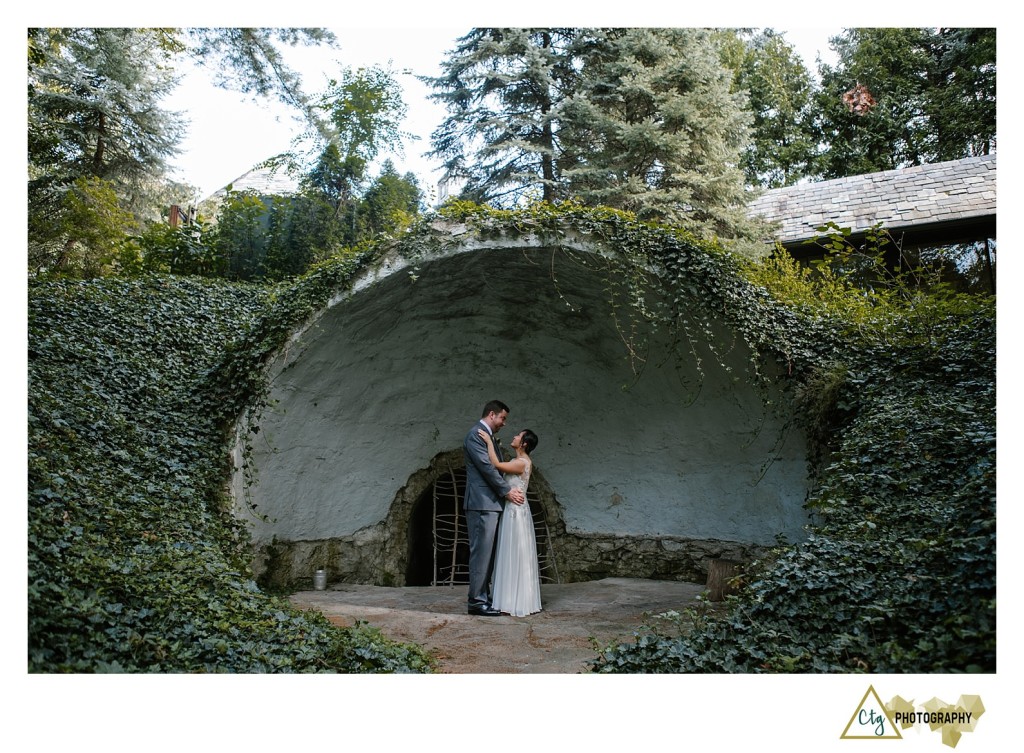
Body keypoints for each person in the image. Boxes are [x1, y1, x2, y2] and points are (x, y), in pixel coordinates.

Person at [463, 400, 524, 616]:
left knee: (486, 553)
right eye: (502, 418)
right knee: (480, 553)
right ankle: (477, 602)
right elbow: (487, 468)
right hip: (481, 503)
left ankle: (484, 597)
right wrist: (507, 491)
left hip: (489, 503)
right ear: (492, 414)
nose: (504, 423)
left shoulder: (486, 436)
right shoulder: (475, 434)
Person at [478, 426, 542, 617]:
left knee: (515, 551)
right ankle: (508, 598)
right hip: (513, 509)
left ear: (523, 444)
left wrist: (489, 442)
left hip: (516, 512)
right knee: (510, 551)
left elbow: (496, 464)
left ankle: (514, 600)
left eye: (518, 436)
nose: (514, 436)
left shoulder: (522, 462)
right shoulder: (518, 460)